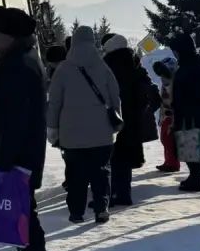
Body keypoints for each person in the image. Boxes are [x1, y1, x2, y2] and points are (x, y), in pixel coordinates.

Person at [0, 6, 50, 251]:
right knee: (18, 207)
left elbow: (14, 120)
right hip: (22, 150)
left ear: (11, 37)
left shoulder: (16, 68)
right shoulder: (22, 60)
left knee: (24, 209)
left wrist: (4, 159)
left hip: (18, 152)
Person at [46, 26, 120, 224]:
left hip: (71, 136)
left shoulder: (62, 70)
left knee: (75, 175)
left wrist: (52, 129)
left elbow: (54, 103)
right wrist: (115, 123)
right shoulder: (104, 68)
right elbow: (115, 98)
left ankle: (76, 211)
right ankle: (101, 207)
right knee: (101, 172)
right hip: (101, 134)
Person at [102, 35, 159, 206]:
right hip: (133, 120)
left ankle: (110, 194)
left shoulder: (106, 66)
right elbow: (150, 91)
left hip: (111, 118)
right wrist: (143, 111)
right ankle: (124, 194)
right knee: (125, 160)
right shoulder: (135, 65)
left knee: (110, 158)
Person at [167, 33, 200, 193]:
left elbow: (183, 93)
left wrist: (177, 112)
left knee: (190, 143)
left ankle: (195, 177)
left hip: (191, 114)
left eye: (176, 50)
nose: (175, 54)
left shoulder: (188, 67)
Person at [151, 57, 180, 174]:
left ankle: (173, 163)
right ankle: (168, 161)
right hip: (165, 113)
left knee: (169, 139)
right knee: (165, 139)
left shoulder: (173, 78)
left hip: (171, 113)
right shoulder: (166, 80)